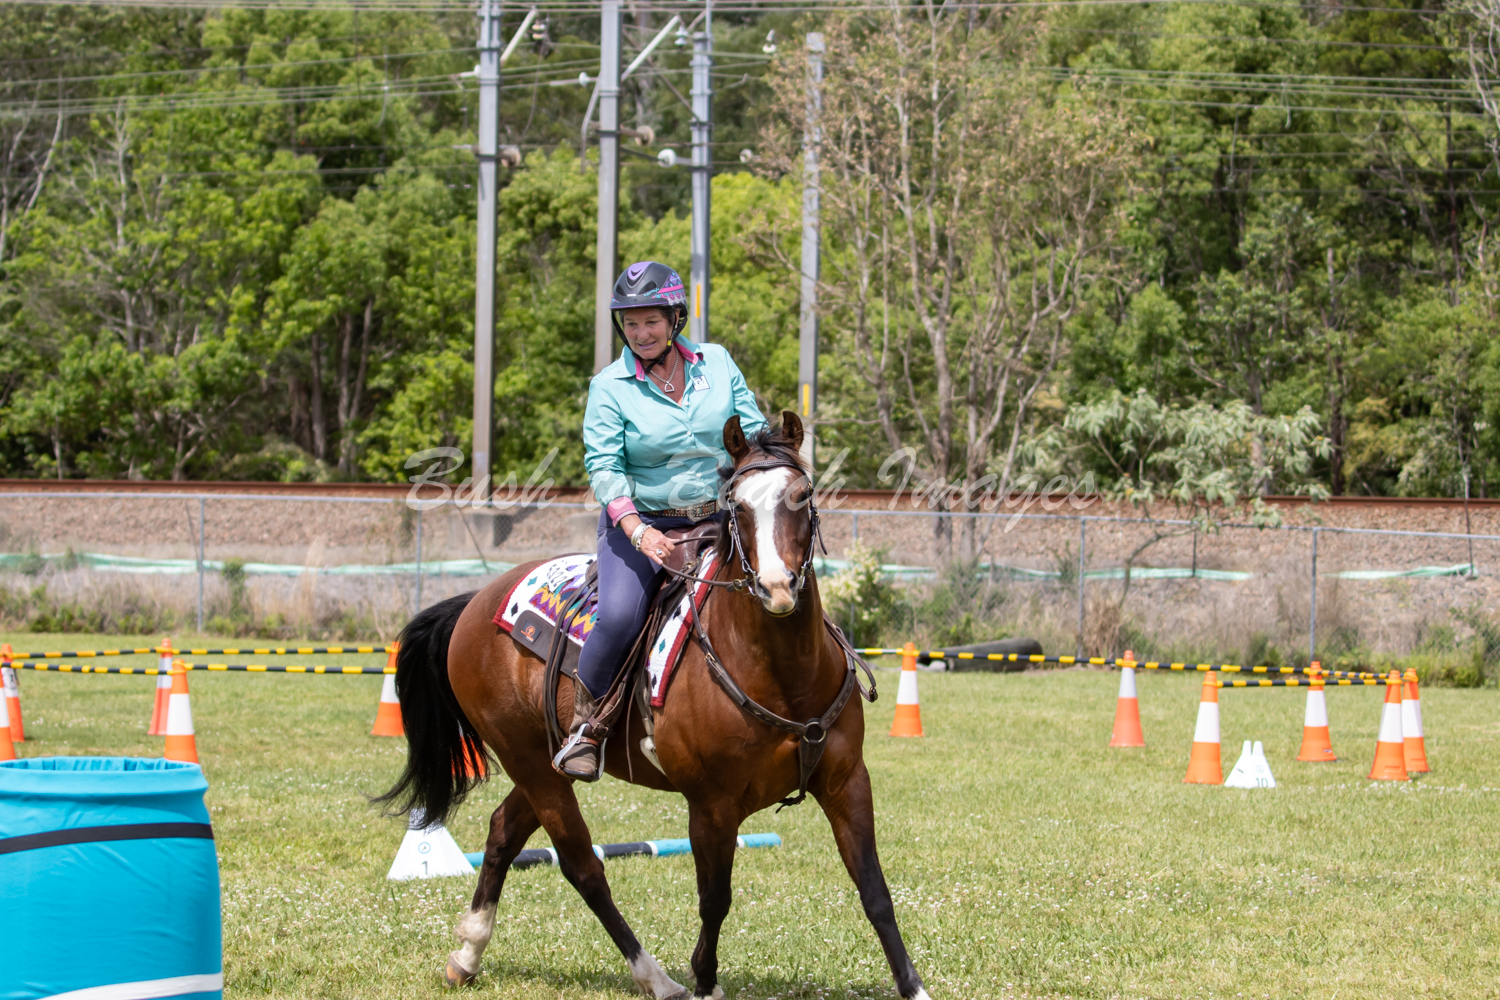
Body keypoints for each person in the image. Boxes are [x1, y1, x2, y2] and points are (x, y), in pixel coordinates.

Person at [552, 261, 766, 780]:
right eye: (630, 323)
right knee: (619, 616)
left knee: (779, 584)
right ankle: (586, 728)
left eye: (651, 321)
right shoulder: (608, 386)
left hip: (719, 518)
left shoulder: (717, 362)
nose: (641, 333)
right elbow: (604, 467)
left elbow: (754, 431)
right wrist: (638, 531)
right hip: (642, 524)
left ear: (675, 318)